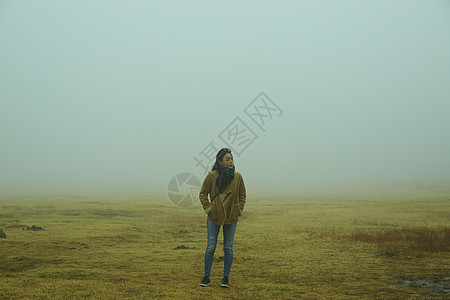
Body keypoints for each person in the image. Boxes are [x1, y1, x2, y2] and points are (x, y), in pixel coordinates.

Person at [198, 148, 246, 288]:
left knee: (228, 248)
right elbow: (203, 194)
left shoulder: (237, 177)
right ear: (220, 161)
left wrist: (239, 209)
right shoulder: (212, 176)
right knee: (210, 247)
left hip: (231, 216)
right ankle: (206, 277)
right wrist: (209, 209)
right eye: (227, 159)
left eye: (231, 159)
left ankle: (225, 278)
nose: (231, 161)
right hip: (214, 216)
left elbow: (243, 195)